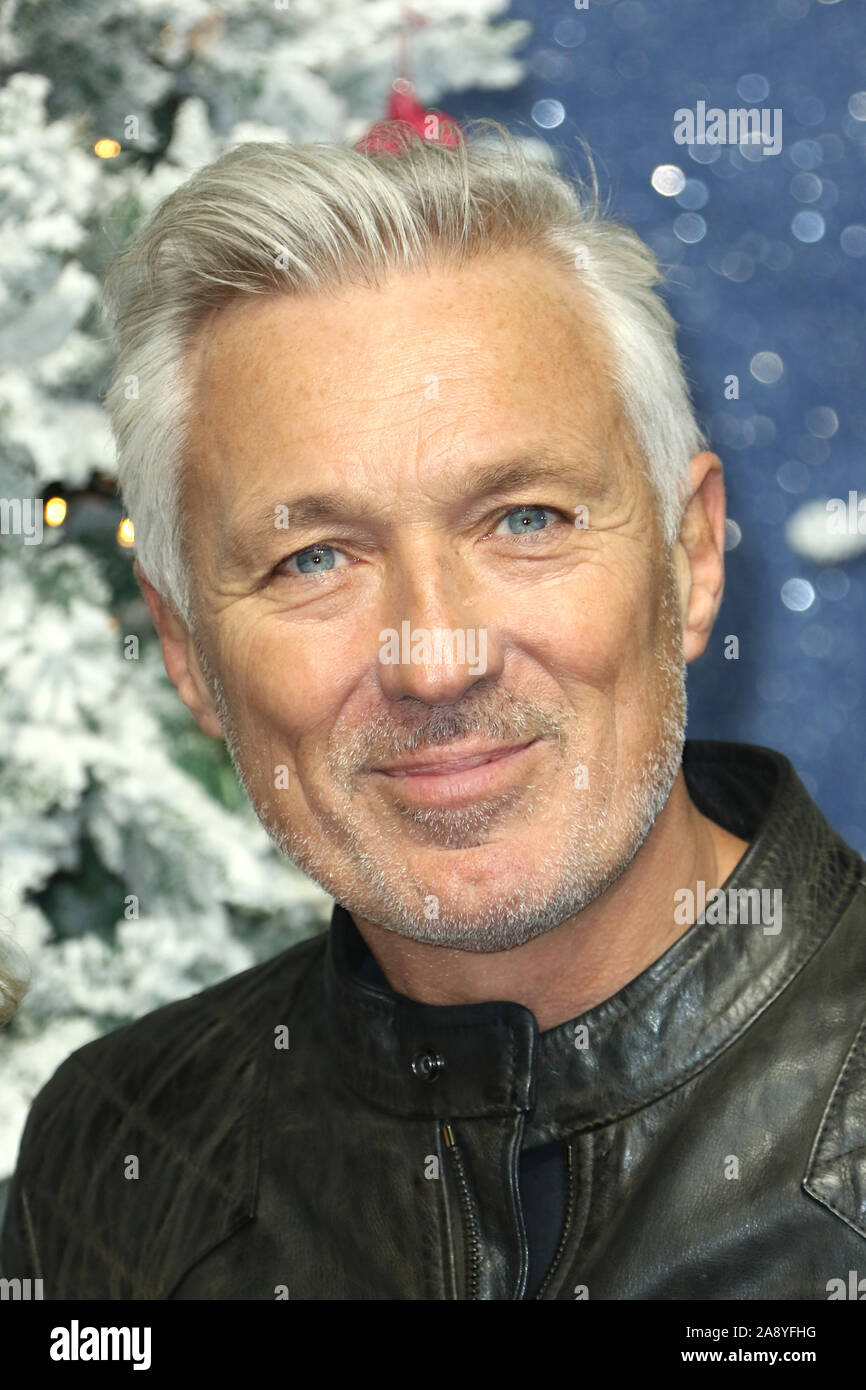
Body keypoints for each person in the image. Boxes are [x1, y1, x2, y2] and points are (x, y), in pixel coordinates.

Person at [3, 119, 864, 1300]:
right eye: (314, 558)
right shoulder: (111, 1154)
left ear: (690, 556)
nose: (434, 656)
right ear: (189, 651)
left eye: (523, 520)